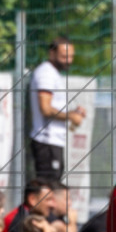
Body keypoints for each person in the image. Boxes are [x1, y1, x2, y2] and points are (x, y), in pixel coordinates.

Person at [29, 36, 86, 181]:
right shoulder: (46, 73)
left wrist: (74, 113)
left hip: (54, 142)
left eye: (71, 56)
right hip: (46, 141)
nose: (69, 61)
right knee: (48, 188)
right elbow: (46, 109)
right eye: (64, 56)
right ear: (52, 53)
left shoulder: (53, 73)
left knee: (54, 186)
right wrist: (70, 116)